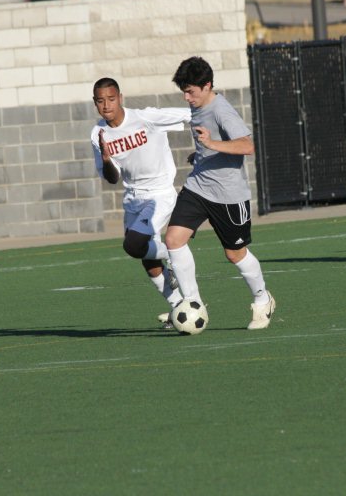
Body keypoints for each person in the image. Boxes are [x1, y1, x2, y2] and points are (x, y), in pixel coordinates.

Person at [163, 56, 275, 330]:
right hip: (199, 186)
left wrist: (211, 144)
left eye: (191, 91)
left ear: (207, 85)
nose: (187, 97)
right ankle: (192, 303)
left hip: (228, 195)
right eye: (184, 92)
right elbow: (210, 145)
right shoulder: (198, 107)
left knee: (235, 254)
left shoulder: (221, 109)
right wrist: (201, 153)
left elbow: (247, 146)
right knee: (173, 239)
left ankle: (262, 299)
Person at [90, 77, 190, 324]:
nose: (107, 105)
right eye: (101, 101)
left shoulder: (146, 117)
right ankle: (178, 306)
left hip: (159, 194)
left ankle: (175, 253)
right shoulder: (98, 133)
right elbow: (111, 178)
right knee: (147, 260)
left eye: (111, 99)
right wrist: (105, 159)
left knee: (133, 245)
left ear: (120, 98)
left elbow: (190, 115)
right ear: (95, 103)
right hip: (133, 197)